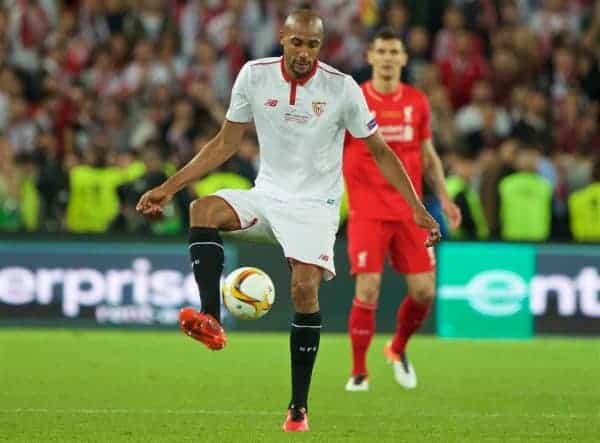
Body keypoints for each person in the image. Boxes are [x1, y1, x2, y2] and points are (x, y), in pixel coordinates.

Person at [136, 10, 440, 433]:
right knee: (201, 210)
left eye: (313, 45)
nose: (303, 53)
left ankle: (298, 407)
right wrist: (170, 187)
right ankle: (211, 319)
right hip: (269, 195)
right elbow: (226, 142)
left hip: (316, 206)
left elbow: (381, 152)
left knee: (303, 287)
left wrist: (416, 207)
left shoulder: (342, 88)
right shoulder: (254, 75)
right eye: (297, 43)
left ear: (321, 46)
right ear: (282, 38)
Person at [343, 28, 461, 392]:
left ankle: (397, 348)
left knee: (424, 291)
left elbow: (427, 156)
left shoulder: (417, 102)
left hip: (412, 211)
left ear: (404, 58)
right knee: (368, 287)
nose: (389, 57)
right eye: (382, 51)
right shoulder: (353, 100)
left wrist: (443, 197)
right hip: (367, 209)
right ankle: (359, 372)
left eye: (395, 51)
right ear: (370, 56)